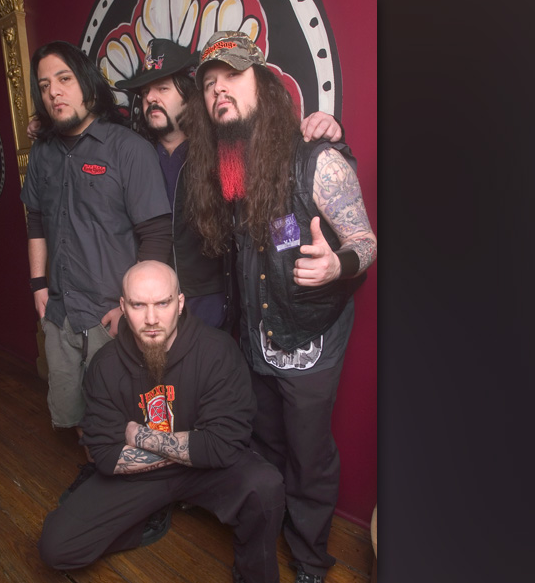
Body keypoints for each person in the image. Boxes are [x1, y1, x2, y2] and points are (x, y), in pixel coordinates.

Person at [181, 31, 378, 583]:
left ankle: (312, 559)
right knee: (265, 442)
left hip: (311, 340)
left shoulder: (316, 160)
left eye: (232, 77)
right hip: (256, 341)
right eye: (210, 85)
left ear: (264, 85)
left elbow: (366, 241)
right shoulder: (224, 170)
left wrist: (337, 264)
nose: (218, 91)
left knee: (309, 455)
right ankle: (271, 530)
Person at [38, 260, 285, 583]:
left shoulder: (217, 351)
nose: (151, 319)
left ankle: (253, 574)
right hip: (143, 477)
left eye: (163, 303)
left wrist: (137, 435)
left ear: (180, 303)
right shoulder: (105, 366)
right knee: (55, 548)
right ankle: (148, 517)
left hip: (205, 473)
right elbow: (106, 456)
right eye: (139, 305)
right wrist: (196, 445)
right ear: (123, 307)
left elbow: (223, 447)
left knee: (265, 485)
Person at [112, 38, 345, 330]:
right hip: (153, 301)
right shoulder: (136, 154)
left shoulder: (221, 149)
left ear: (188, 95)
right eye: (145, 93)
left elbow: (273, 140)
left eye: (162, 88)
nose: (151, 99)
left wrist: (327, 125)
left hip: (211, 301)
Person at [21, 40, 173, 463]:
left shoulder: (128, 150)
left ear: (87, 84)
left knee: (122, 414)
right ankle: (98, 475)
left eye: (65, 79)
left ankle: (125, 492)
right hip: (60, 310)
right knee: (77, 413)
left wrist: (133, 307)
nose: (55, 91)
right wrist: (38, 285)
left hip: (110, 313)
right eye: (45, 84)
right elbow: (36, 220)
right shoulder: (42, 153)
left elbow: (156, 235)